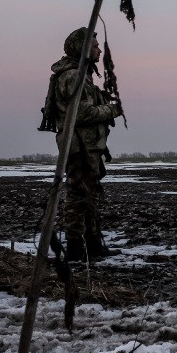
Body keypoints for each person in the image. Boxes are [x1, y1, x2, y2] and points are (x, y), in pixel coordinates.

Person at [48, 27, 124, 262]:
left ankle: (92, 245)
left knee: (89, 195)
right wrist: (112, 110)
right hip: (79, 147)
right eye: (94, 46)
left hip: (88, 146)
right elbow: (82, 113)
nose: (99, 50)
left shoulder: (82, 74)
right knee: (78, 197)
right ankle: (75, 249)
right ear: (82, 49)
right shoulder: (73, 75)